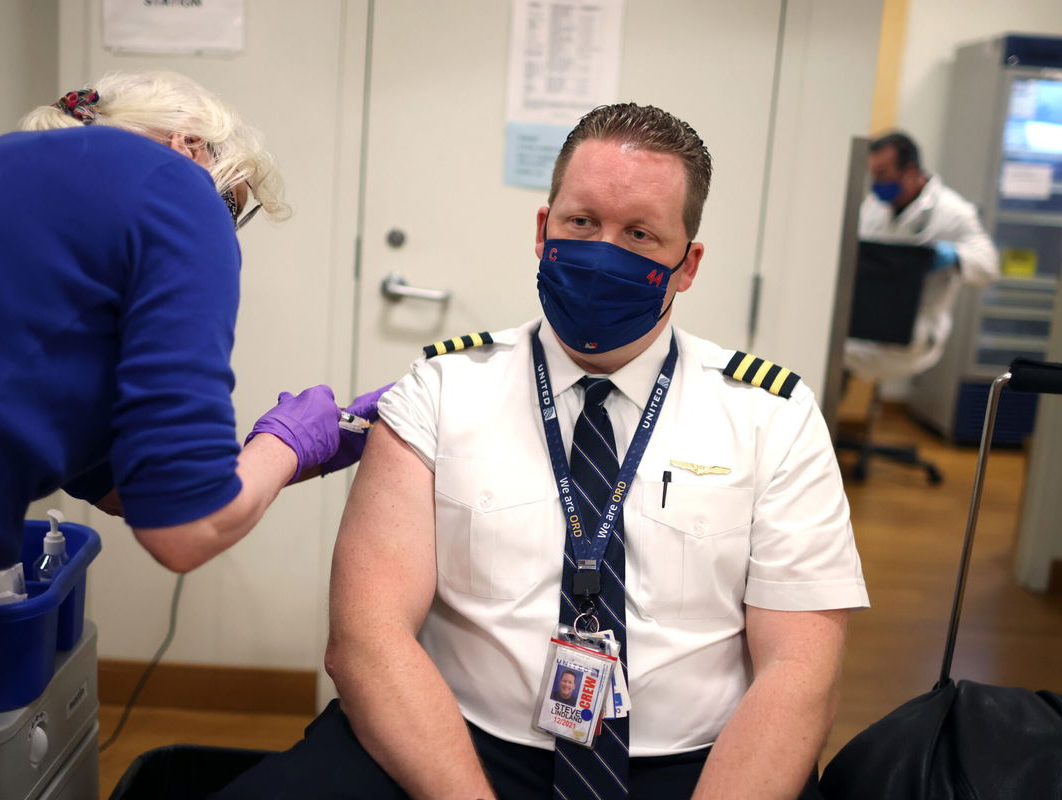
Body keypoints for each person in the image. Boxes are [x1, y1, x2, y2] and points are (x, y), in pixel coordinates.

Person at [212, 103, 869, 800]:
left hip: (690, 768)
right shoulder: (441, 390)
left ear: (687, 264)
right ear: (542, 229)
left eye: (640, 234)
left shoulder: (773, 416)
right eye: (582, 223)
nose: (602, 251)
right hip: (452, 745)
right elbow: (366, 641)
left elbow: (801, 672)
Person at [0, 71, 386, 799]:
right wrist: (292, 440)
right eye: (233, 206)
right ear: (193, 147)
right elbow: (183, 530)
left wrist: (310, 448)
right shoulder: (175, 186)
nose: (223, 230)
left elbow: (126, 491)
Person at [845, 131, 999, 380]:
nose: (876, 183)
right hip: (868, 322)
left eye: (883, 174)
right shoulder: (875, 204)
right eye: (873, 175)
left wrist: (953, 256)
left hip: (914, 334)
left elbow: (989, 266)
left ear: (910, 170)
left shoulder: (952, 211)